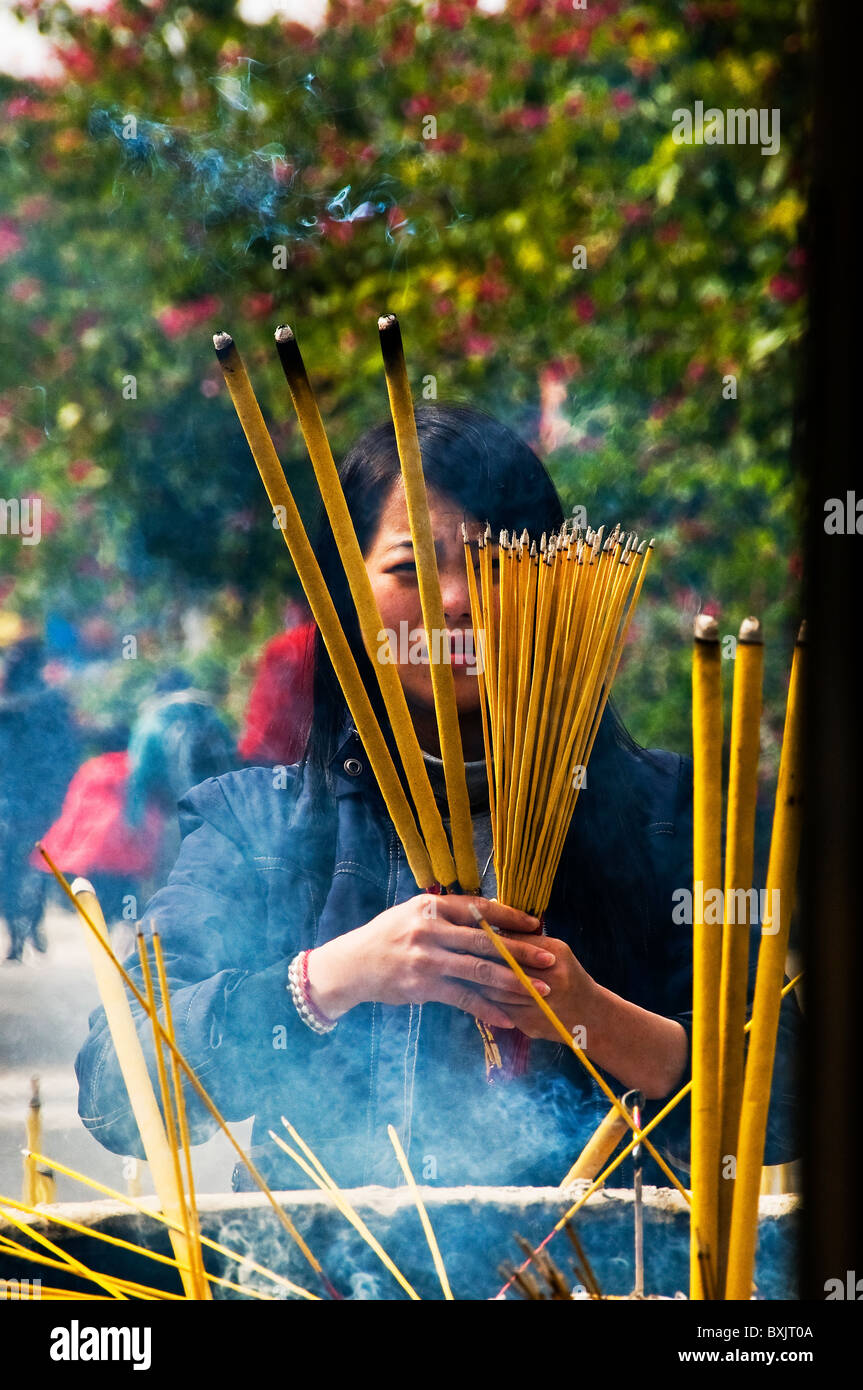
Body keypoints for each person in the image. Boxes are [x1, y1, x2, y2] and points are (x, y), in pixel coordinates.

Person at [75, 405, 800, 1191]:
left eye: (494, 563)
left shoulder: (669, 813)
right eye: (409, 568)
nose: (454, 600)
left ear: (558, 591)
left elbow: (788, 1090)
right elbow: (117, 1095)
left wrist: (593, 1014)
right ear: (344, 597)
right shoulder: (261, 826)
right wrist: (327, 980)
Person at [0, 635, 79, 960]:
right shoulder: (53, 701)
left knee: (15, 866)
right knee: (35, 862)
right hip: (36, 799)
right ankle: (27, 926)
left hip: (19, 800)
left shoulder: (16, 709)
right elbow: (69, 751)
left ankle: (21, 929)